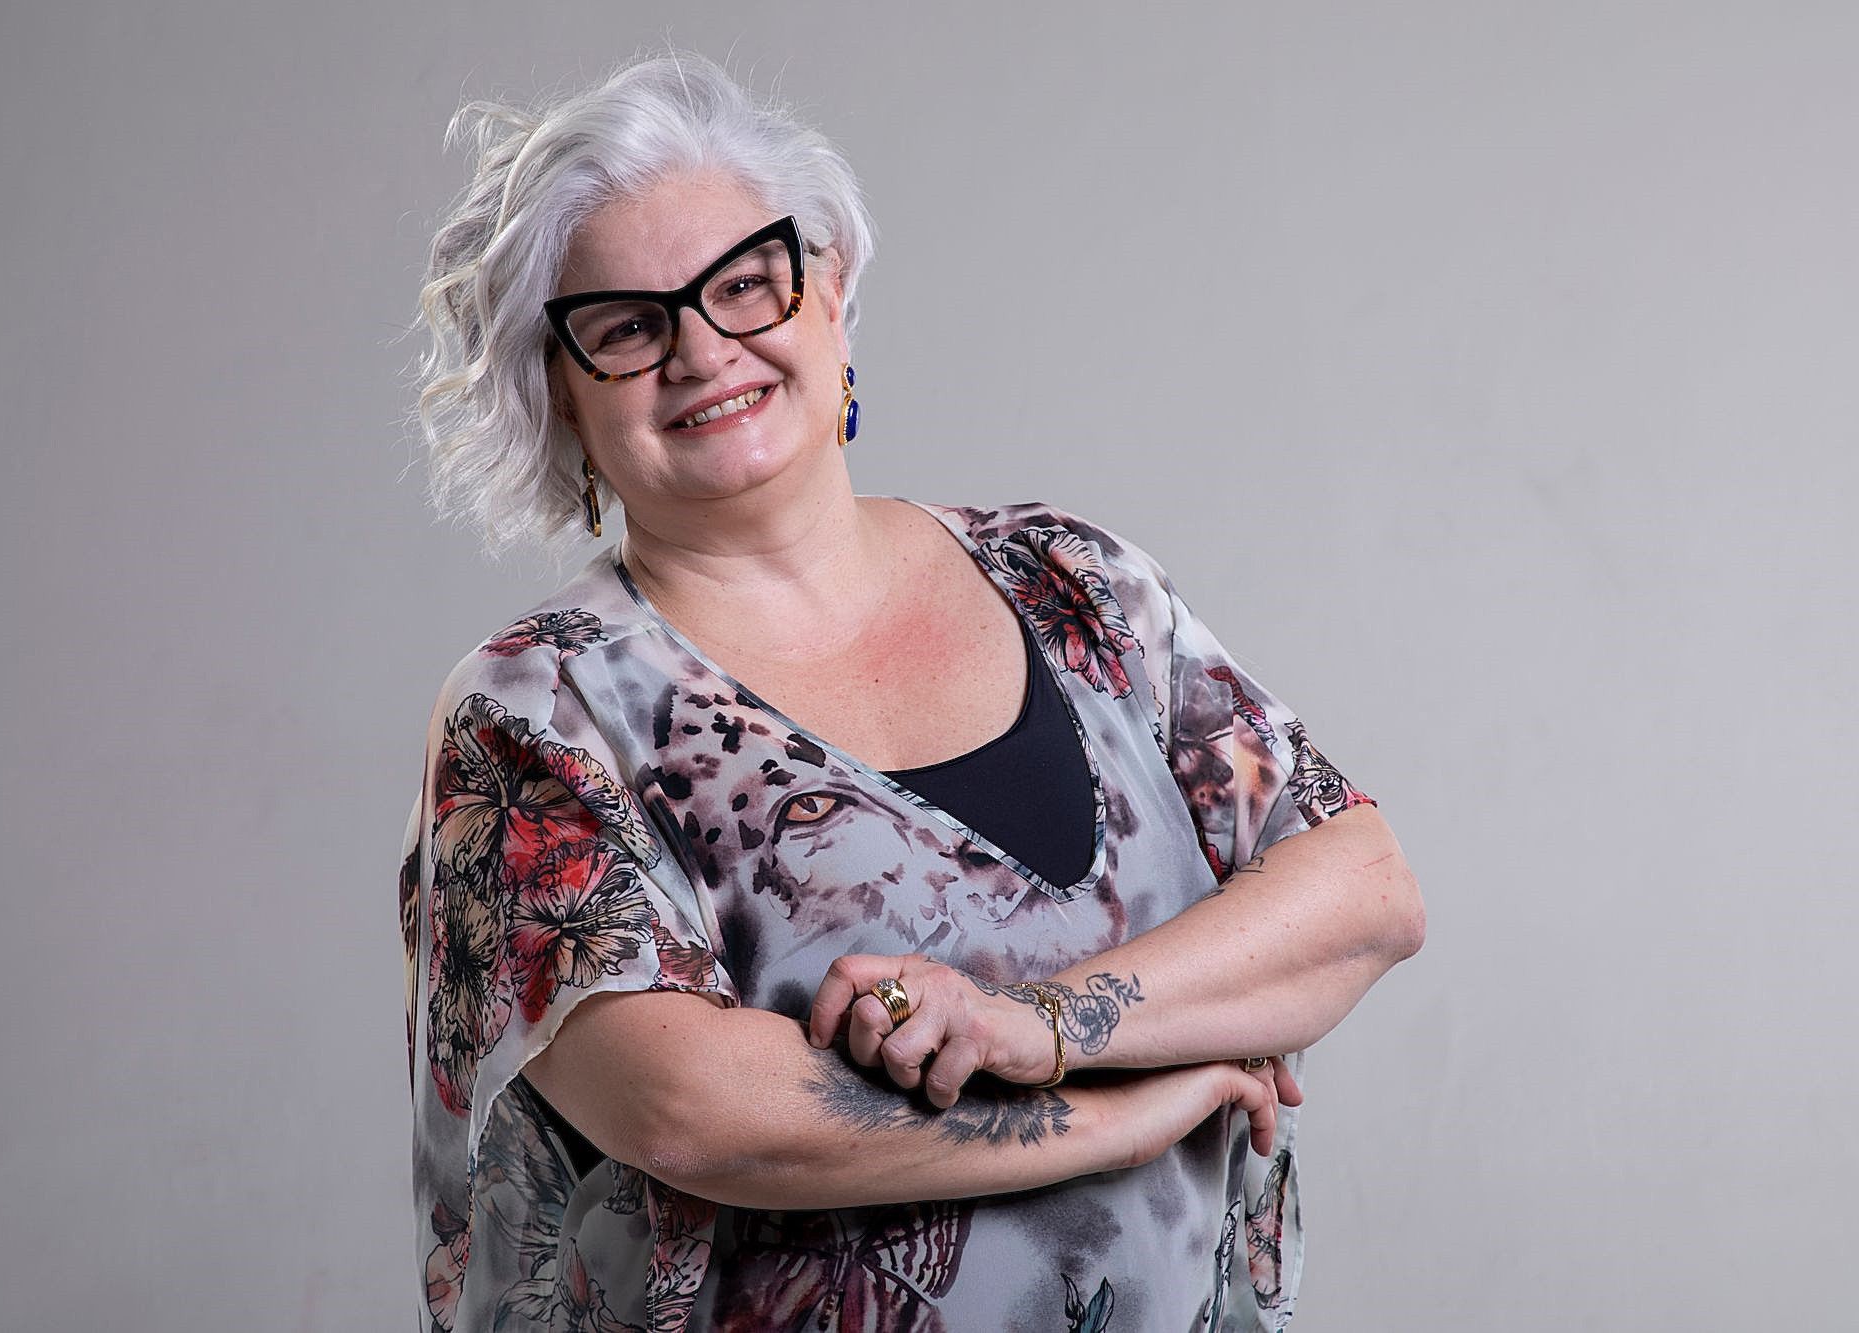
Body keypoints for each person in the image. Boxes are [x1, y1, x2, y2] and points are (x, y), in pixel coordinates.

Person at [399, 49, 1424, 1333]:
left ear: (829, 289)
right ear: (560, 392)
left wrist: (1036, 1027)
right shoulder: (537, 713)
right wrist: (1128, 1109)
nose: (701, 348)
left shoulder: (1071, 582)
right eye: (626, 326)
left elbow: (1359, 890)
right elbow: (691, 1110)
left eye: (744, 283)